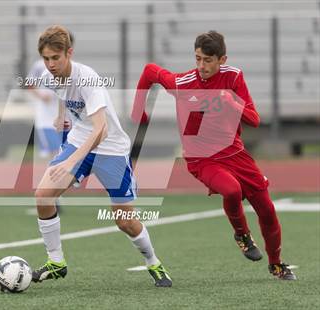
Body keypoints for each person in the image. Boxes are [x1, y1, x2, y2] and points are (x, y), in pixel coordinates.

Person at [131, 30, 296, 280]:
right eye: (197, 58)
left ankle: (276, 264)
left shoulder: (234, 77)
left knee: (268, 210)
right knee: (231, 191)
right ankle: (242, 234)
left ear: (222, 59)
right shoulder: (183, 83)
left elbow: (254, 119)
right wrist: (138, 112)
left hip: (236, 154)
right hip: (201, 159)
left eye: (208, 60)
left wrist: (229, 99)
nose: (201, 65)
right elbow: (149, 71)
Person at [32, 25, 172, 287]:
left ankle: (154, 262)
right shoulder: (51, 76)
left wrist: (72, 161)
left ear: (69, 53)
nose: (50, 64)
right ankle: (56, 262)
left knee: (124, 220)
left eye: (55, 58)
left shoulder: (88, 80)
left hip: (111, 148)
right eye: (46, 58)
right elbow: (64, 95)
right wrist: (61, 116)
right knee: (43, 195)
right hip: (79, 140)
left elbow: (101, 129)